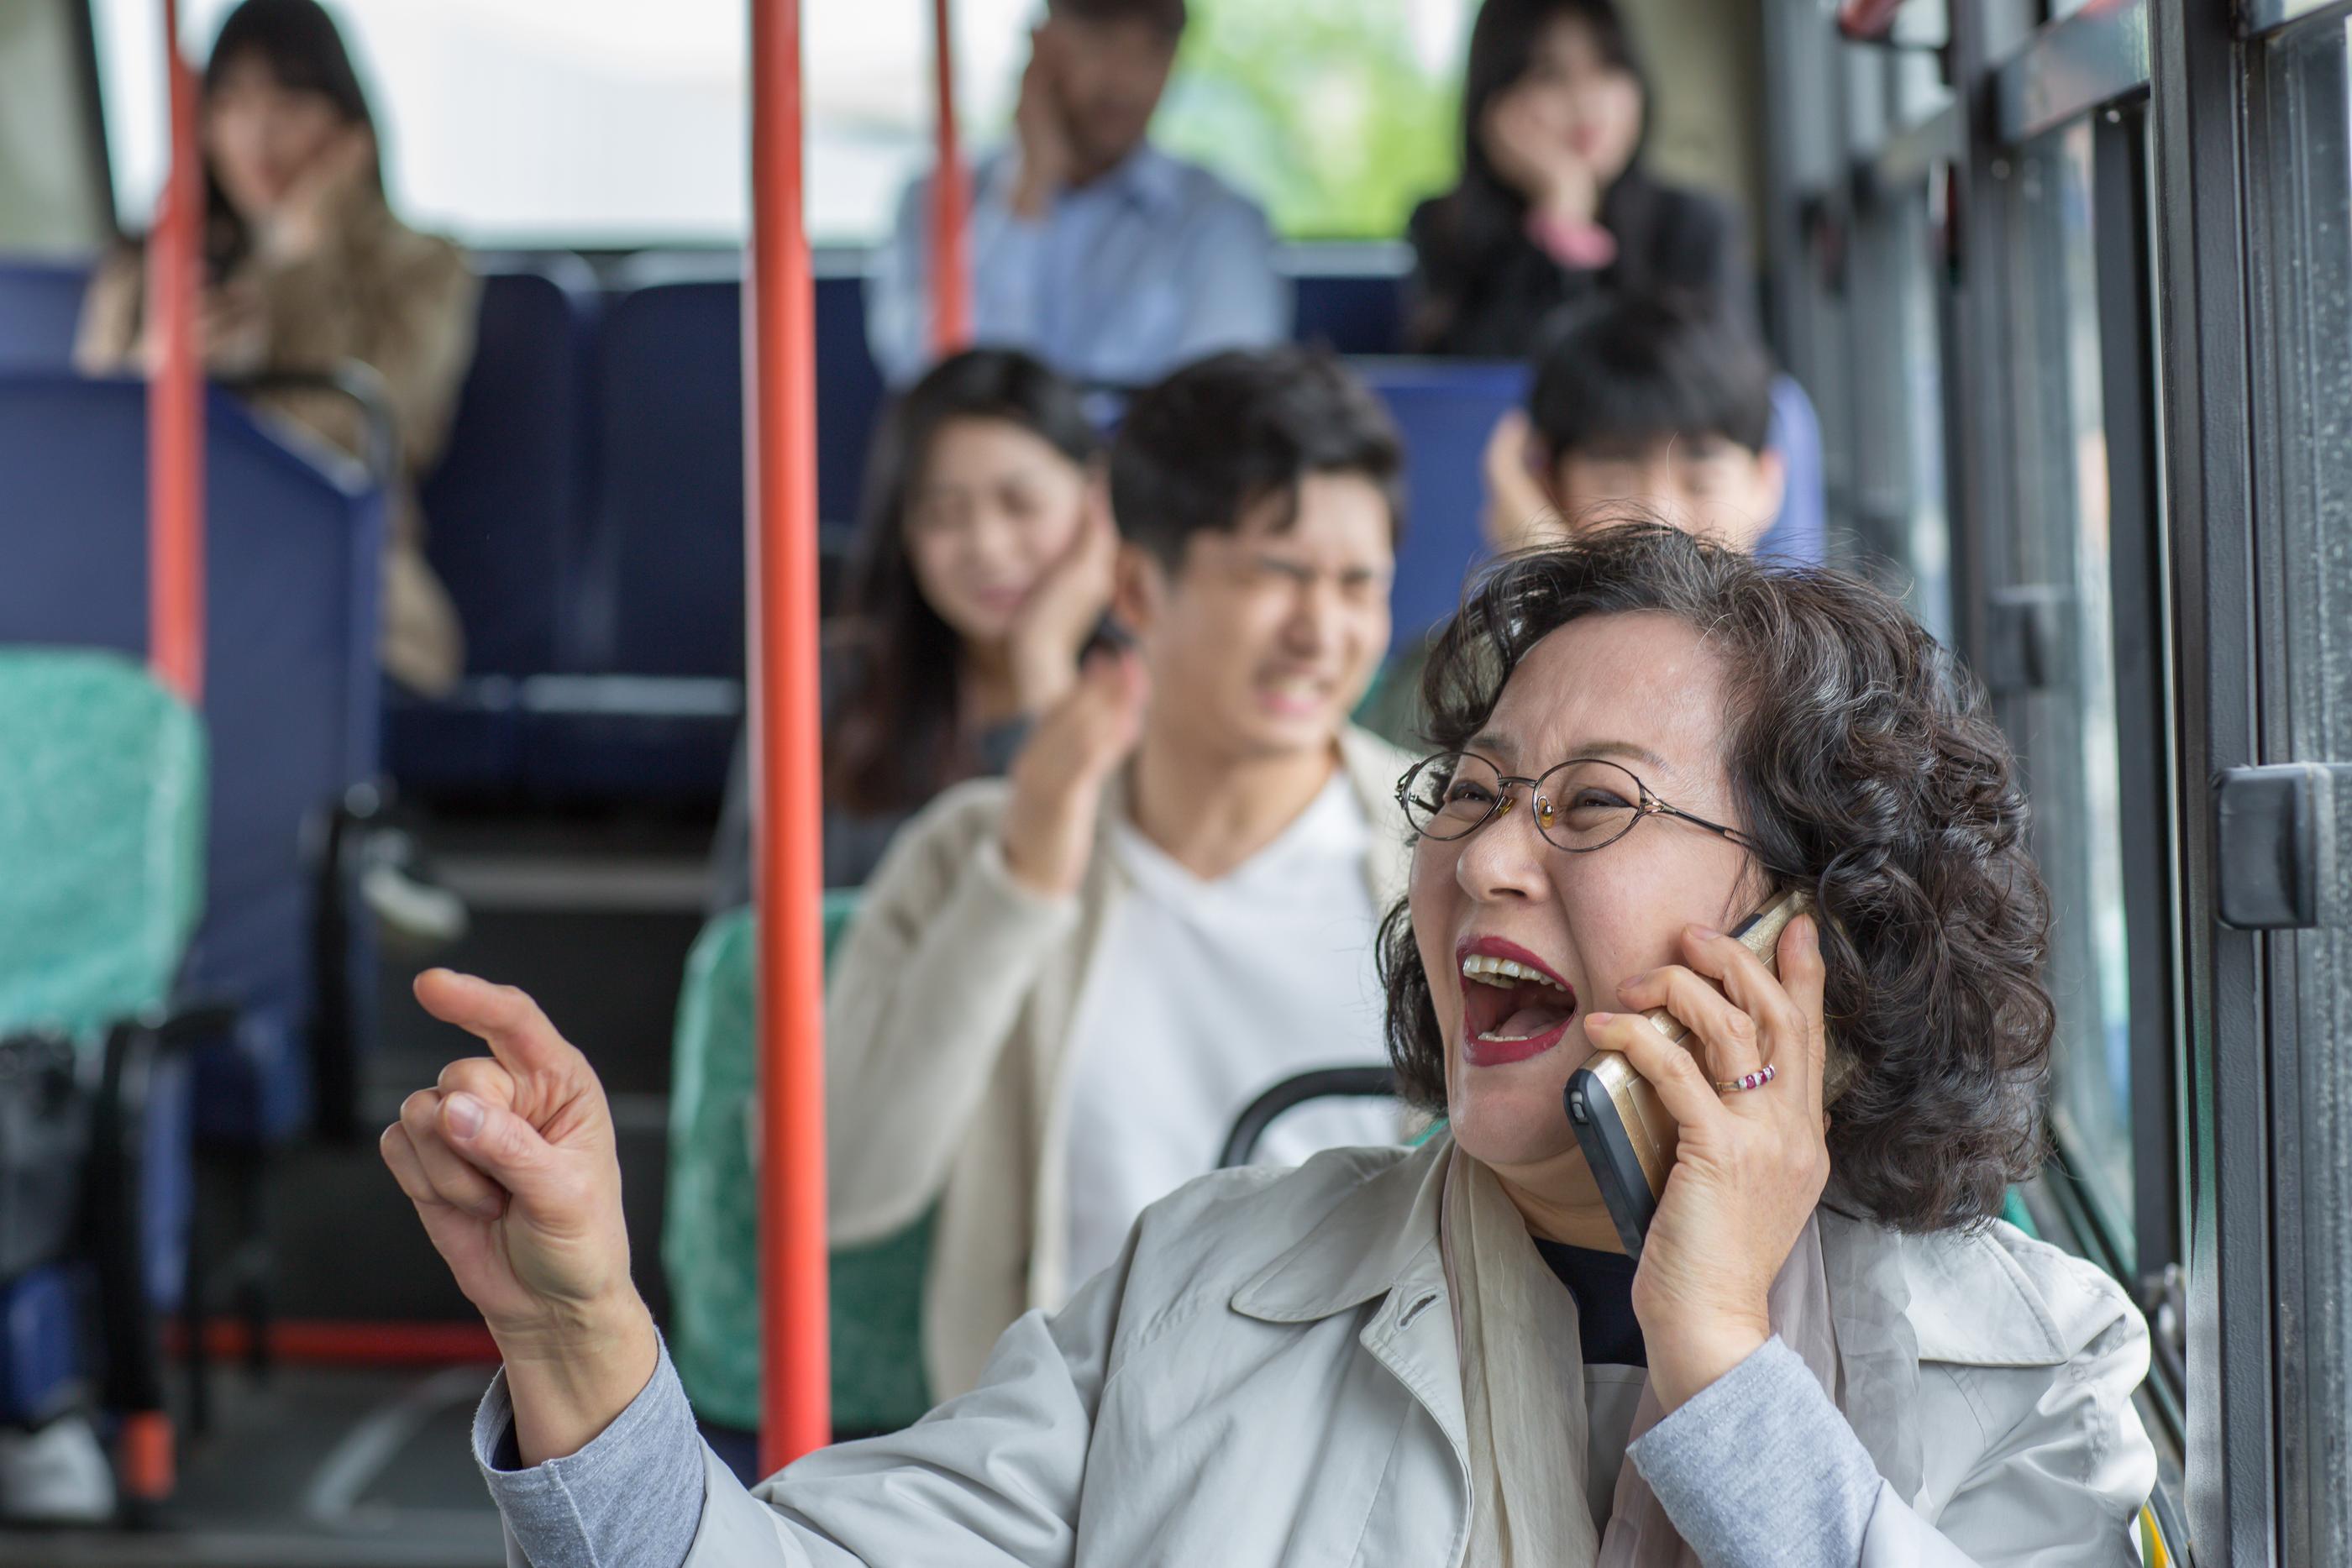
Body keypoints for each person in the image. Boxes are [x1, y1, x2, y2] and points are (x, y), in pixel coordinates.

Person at [387, 525, 2155, 1565]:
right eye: (1466, 794)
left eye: (1594, 805)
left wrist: (1714, 1351)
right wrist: (577, 1334)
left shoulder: (2035, 1374)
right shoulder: (1207, 1284)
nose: (1486, 854)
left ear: (1810, 929)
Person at [76, 0, 478, 700]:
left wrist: (300, 264)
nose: (256, 132)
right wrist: (157, 368)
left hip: (343, 593)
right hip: (157, 586)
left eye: (289, 101)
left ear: (347, 124)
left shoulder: (423, 265)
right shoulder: (150, 269)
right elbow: (80, 464)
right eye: (230, 101)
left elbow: (370, 435)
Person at [708, 348, 1109, 901]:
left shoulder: (1155, 689)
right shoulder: (831, 685)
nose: (987, 548)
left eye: (1020, 504)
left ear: (1097, 506)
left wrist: (1043, 664)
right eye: (944, 513)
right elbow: (742, 933)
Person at [1359, 292, 1804, 748]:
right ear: (1546, 485)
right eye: (1615, 478)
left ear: (1766, 483)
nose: (1660, 517)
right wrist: (1548, 594)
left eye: (1700, 480)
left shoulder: (1818, 679)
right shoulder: (1460, 669)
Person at [865, 0, 1288, 390]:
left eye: (1153, 48)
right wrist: (1026, 195)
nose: (1124, 78)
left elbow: (1222, 410)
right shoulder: (934, 201)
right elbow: (935, 386)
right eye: (1100, 40)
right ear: (1041, 43)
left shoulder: (1221, 222)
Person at [1407, 0, 1743, 359]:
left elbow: (1717, 385)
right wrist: (1562, 216)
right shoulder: (1446, 226)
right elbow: (1478, 384)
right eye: (1548, 75)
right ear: (1496, 103)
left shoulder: (1692, 223)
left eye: (1608, 67)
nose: (1587, 102)